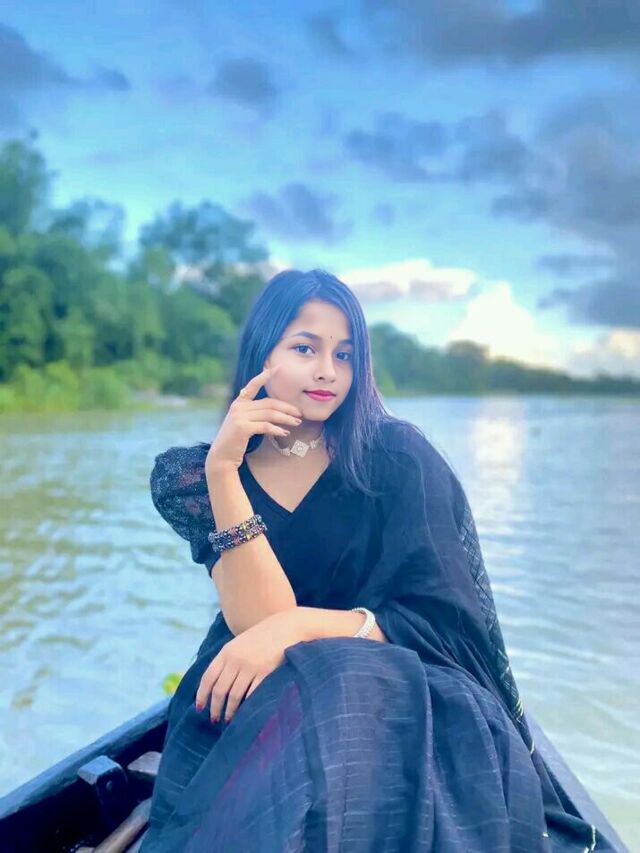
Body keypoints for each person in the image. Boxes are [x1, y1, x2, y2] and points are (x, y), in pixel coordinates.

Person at [140, 269, 615, 852]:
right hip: (256, 682)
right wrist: (223, 471)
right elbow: (258, 625)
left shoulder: (395, 456)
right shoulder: (196, 474)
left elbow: (440, 622)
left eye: (344, 355)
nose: (327, 371)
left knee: (338, 676)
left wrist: (302, 626)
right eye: (305, 348)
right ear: (261, 353)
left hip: (398, 681)